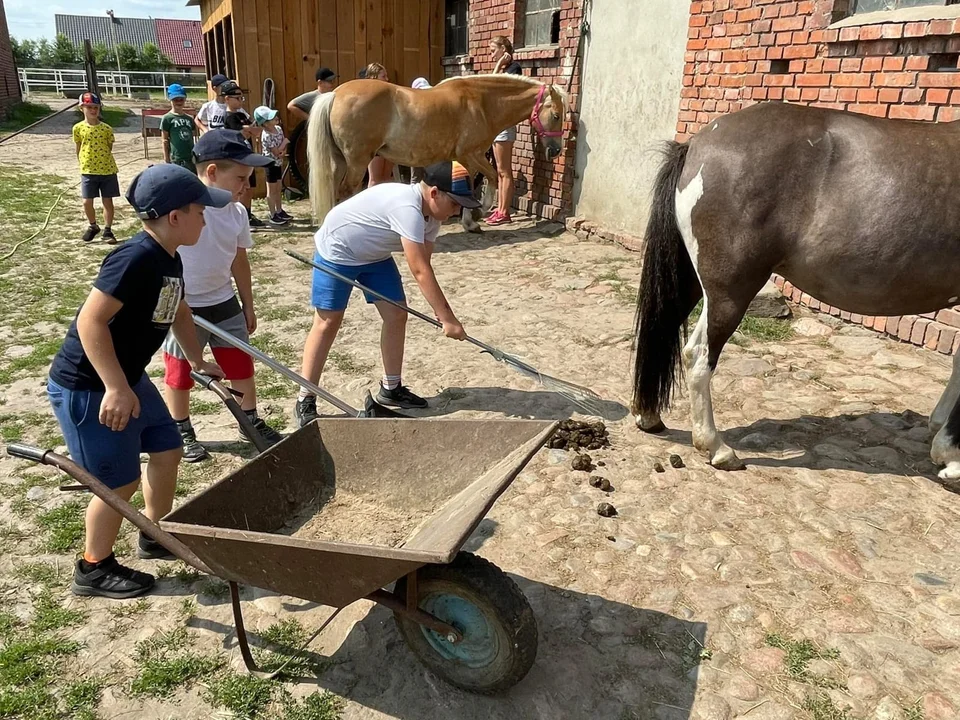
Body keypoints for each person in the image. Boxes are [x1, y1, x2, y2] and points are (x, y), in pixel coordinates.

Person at [47, 164, 229, 599]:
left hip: (125, 379)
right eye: (199, 210)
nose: (205, 217)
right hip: (90, 387)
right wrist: (115, 387)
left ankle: (154, 534)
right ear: (174, 217)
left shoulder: (170, 257)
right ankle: (93, 567)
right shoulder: (134, 258)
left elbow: (178, 309)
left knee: (168, 449)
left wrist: (197, 359)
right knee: (116, 483)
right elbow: (91, 322)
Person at [295, 161, 479, 425]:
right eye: (455, 203)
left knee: (396, 314)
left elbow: (423, 263)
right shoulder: (407, 207)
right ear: (434, 193)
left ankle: (391, 389)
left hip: (373, 256)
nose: (457, 210)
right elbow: (419, 271)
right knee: (327, 322)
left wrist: (441, 313)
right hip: (337, 250)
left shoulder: (433, 217)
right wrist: (448, 318)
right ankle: (306, 397)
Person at [162, 130, 282, 461]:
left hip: (223, 301)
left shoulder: (237, 213)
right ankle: (181, 427)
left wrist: (248, 303)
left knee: (240, 364)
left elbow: (238, 260)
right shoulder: (182, 211)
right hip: (183, 306)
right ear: (212, 172)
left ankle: (250, 420)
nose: (247, 185)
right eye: (241, 177)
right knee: (180, 370)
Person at [73, 92, 119, 244]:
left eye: (95, 107)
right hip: (88, 170)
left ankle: (108, 230)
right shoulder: (78, 128)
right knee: (87, 201)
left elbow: (109, 146)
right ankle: (93, 225)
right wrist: (81, 162)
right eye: (89, 107)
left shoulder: (106, 129)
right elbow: (79, 146)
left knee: (107, 201)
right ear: (82, 108)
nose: (93, 110)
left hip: (107, 170)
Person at [486, 35, 522, 226]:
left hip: (505, 125)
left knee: (504, 170)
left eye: (493, 51)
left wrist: (500, 63)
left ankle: (504, 211)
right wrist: (498, 65)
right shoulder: (501, 69)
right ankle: (499, 209)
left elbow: (493, 88)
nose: (492, 55)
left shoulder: (514, 68)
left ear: (503, 49)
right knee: (498, 170)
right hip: (496, 126)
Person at [220, 81, 264, 228]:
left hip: (247, 154)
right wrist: (249, 130)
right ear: (227, 99)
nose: (240, 101)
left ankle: (247, 214)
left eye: (241, 98)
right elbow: (239, 133)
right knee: (240, 188)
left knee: (249, 188)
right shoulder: (228, 117)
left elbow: (252, 129)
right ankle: (241, 216)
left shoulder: (241, 114)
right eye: (237, 98)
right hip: (237, 158)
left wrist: (251, 129)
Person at [254, 106, 291, 226]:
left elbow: (281, 151)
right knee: (272, 190)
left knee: (278, 188)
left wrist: (283, 150)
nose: (275, 118)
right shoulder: (266, 135)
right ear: (264, 123)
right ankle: (272, 214)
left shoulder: (279, 129)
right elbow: (276, 152)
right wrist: (284, 144)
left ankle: (279, 210)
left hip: (278, 163)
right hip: (270, 164)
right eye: (271, 118)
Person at [363, 62, 394, 187]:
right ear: (373, 77)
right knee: (375, 179)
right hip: (375, 142)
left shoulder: (388, 96)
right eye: (383, 76)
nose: (387, 79)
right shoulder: (367, 97)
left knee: (387, 178)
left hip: (390, 141)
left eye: (386, 76)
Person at [160, 83, 197, 174]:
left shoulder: (189, 119)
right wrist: (167, 158)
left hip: (190, 158)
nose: (179, 102)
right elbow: (165, 140)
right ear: (170, 99)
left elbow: (193, 137)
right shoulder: (167, 118)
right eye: (175, 99)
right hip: (177, 159)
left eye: (181, 99)